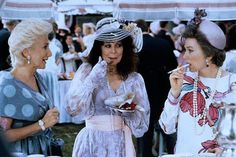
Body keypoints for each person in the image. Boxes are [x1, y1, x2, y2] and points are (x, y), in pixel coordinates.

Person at [66, 17, 150, 157]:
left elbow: (141, 123)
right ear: (99, 47)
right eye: (107, 45)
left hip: (120, 143)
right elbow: (73, 108)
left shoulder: (134, 78)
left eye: (118, 45)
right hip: (92, 142)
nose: (114, 52)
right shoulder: (87, 71)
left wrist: (130, 111)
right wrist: (92, 79)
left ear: (125, 47)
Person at [159, 9, 236, 155]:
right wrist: (174, 94)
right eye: (184, 50)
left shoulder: (232, 84)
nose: (185, 57)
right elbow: (166, 127)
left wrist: (224, 150)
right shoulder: (185, 80)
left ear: (209, 54)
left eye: (190, 50)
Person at [0, 19, 59, 156]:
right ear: (26, 52)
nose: (50, 53)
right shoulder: (8, 86)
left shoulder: (38, 77)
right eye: (45, 47)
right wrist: (42, 124)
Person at [135, 19, 178, 157]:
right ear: (148, 28)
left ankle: (146, 154)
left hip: (142, 90)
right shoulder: (163, 43)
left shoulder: (135, 47)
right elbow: (173, 65)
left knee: (145, 128)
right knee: (167, 124)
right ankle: (175, 152)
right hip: (162, 88)